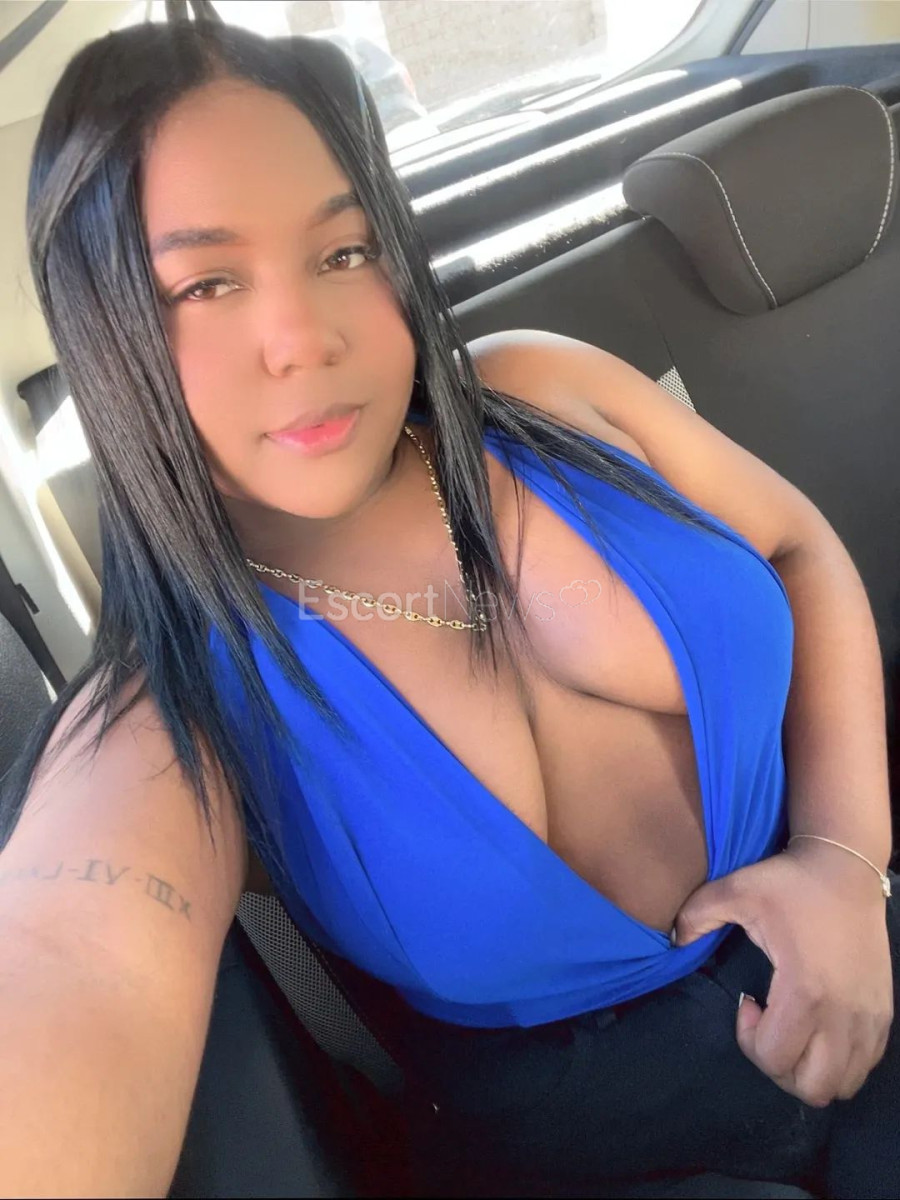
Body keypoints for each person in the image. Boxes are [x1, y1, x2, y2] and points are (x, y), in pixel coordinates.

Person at [0, 17, 896, 1200]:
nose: (303, 338)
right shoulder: (169, 708)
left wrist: (843, 857)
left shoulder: (540, 389)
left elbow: (796, 545)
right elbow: (75, 959)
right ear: (103, 328)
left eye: (343, 252)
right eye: (206, 283)